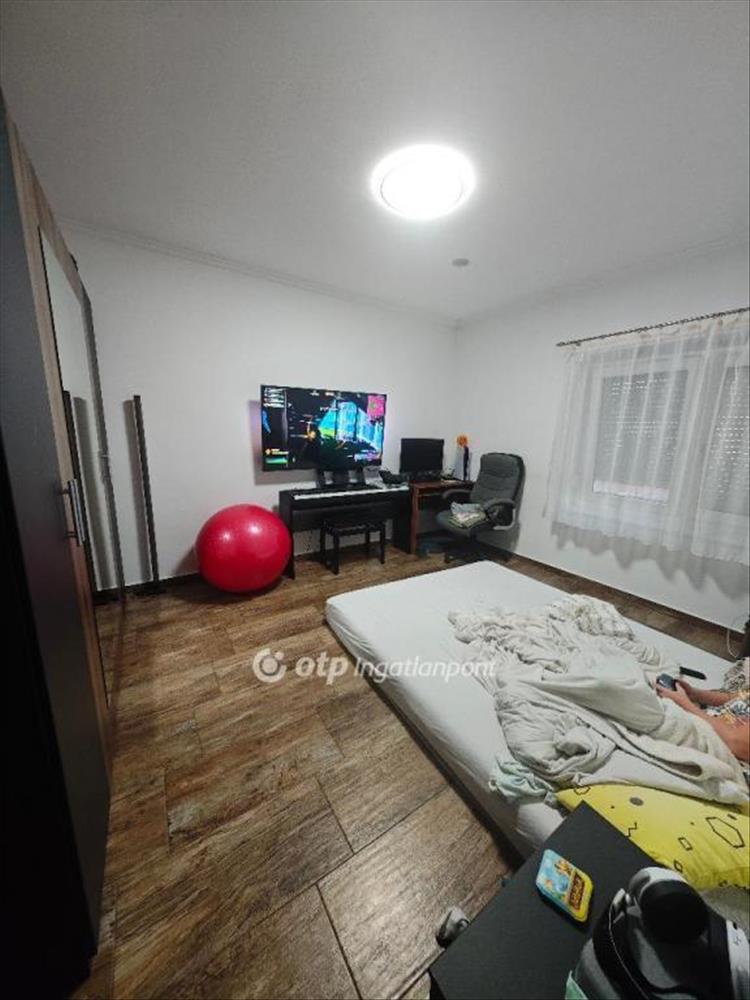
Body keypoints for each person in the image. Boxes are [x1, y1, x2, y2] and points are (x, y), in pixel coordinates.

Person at [656, 678, 750, 771]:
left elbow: (735, 743)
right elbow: (738, 698)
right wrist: (695, 694)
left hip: (721, 748)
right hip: (706, 721)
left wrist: (684, 703)